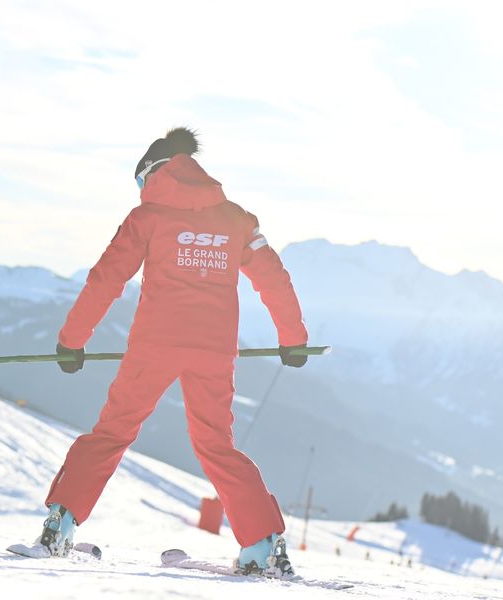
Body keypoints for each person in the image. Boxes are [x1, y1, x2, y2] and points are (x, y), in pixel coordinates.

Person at [36, 127, 309, 577]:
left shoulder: (147, 218)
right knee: (216, 445)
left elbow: (106, 279)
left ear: (152, 174)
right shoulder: (237, 220)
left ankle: (60, 525)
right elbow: (274, 278)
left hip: (153, 346)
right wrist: (292, 337)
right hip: (215, 351)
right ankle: (263, 545)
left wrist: (72, 341)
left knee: (112, 433)